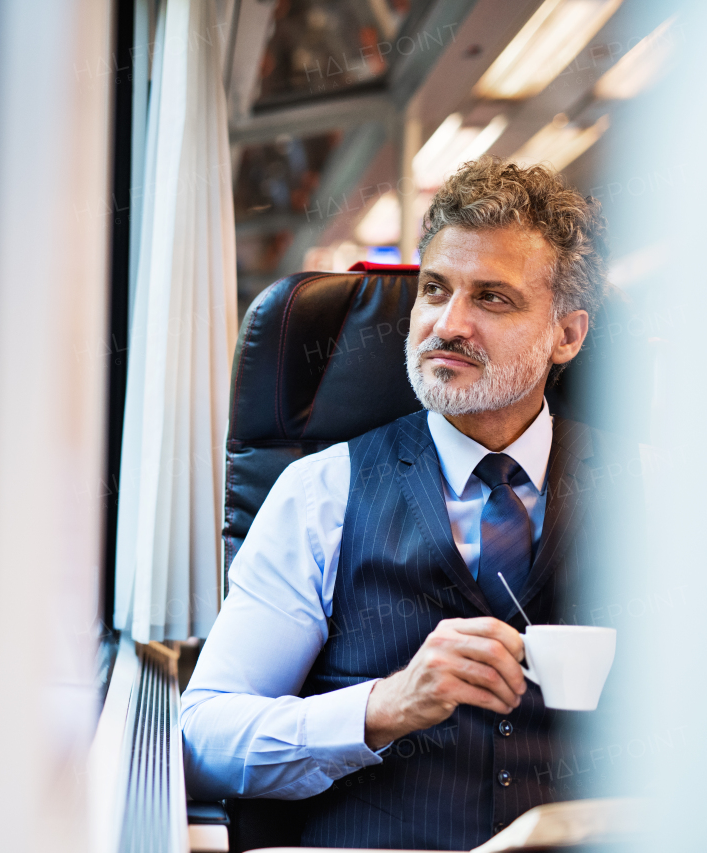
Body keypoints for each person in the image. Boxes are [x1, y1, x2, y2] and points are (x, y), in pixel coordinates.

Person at [181, 157, 636, 850]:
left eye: (492, 298)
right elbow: (202, 736)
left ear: (567, 335)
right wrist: (383, 707)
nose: (447, 325)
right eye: (434, 289)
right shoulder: (321, 491)